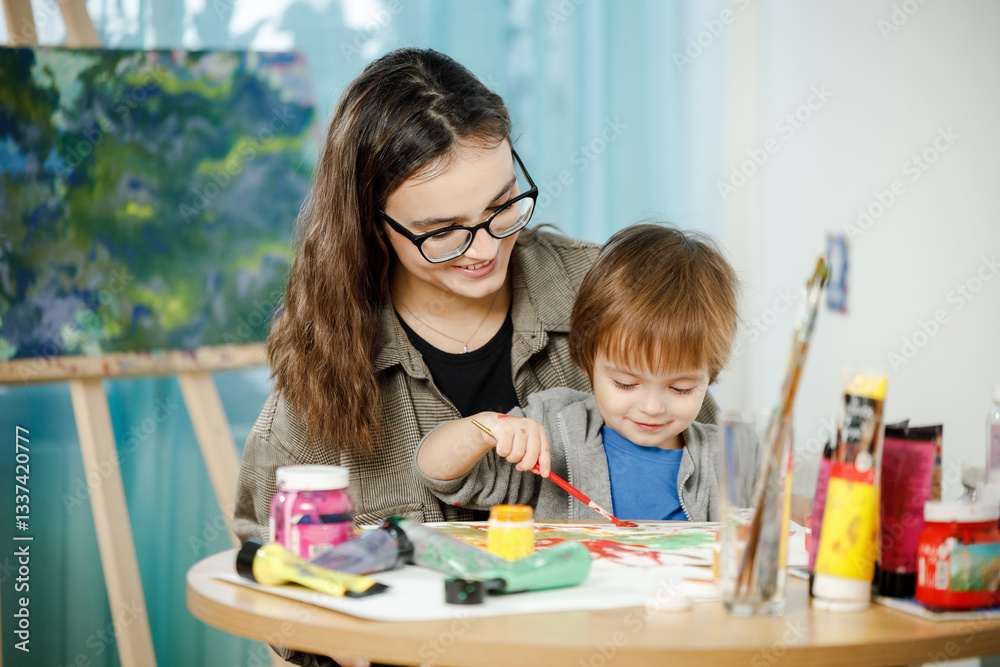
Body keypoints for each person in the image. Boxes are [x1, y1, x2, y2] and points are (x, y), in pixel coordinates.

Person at [233, 48, 718, 542]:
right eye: (443, 231)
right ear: (373, 224)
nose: (486, 250)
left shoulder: (609, 294)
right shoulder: (321, 367)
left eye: (502, 205)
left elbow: (708, 480)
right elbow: (265, 556)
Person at [415, 223, 740, 521]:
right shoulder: (554, 430)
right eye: (626, 383)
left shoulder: (727, 459)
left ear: (710, 375)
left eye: (681, 388)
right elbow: (440, 475)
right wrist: (485, 428)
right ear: (588, 363)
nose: (652, 407)